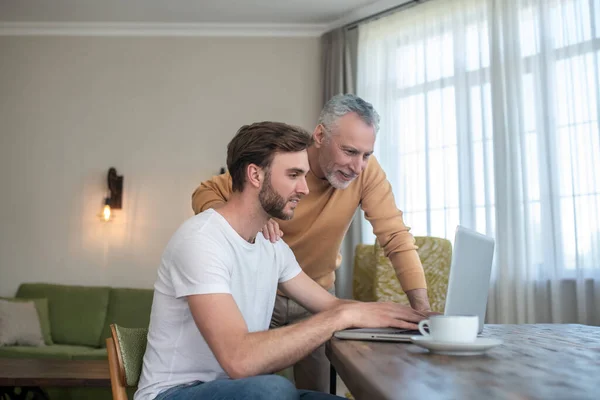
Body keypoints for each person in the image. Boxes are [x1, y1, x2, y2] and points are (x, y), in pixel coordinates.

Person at [135, 122, 426, 400]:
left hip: (241, 391)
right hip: (175, 393)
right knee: (273, 390)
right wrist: (339, 317)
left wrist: (409, 320)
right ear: (255, 175)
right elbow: (240, 360)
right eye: (293, 175)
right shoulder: (201, 241)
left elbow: (333, 306)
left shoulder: (273, 247)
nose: (305, 188)